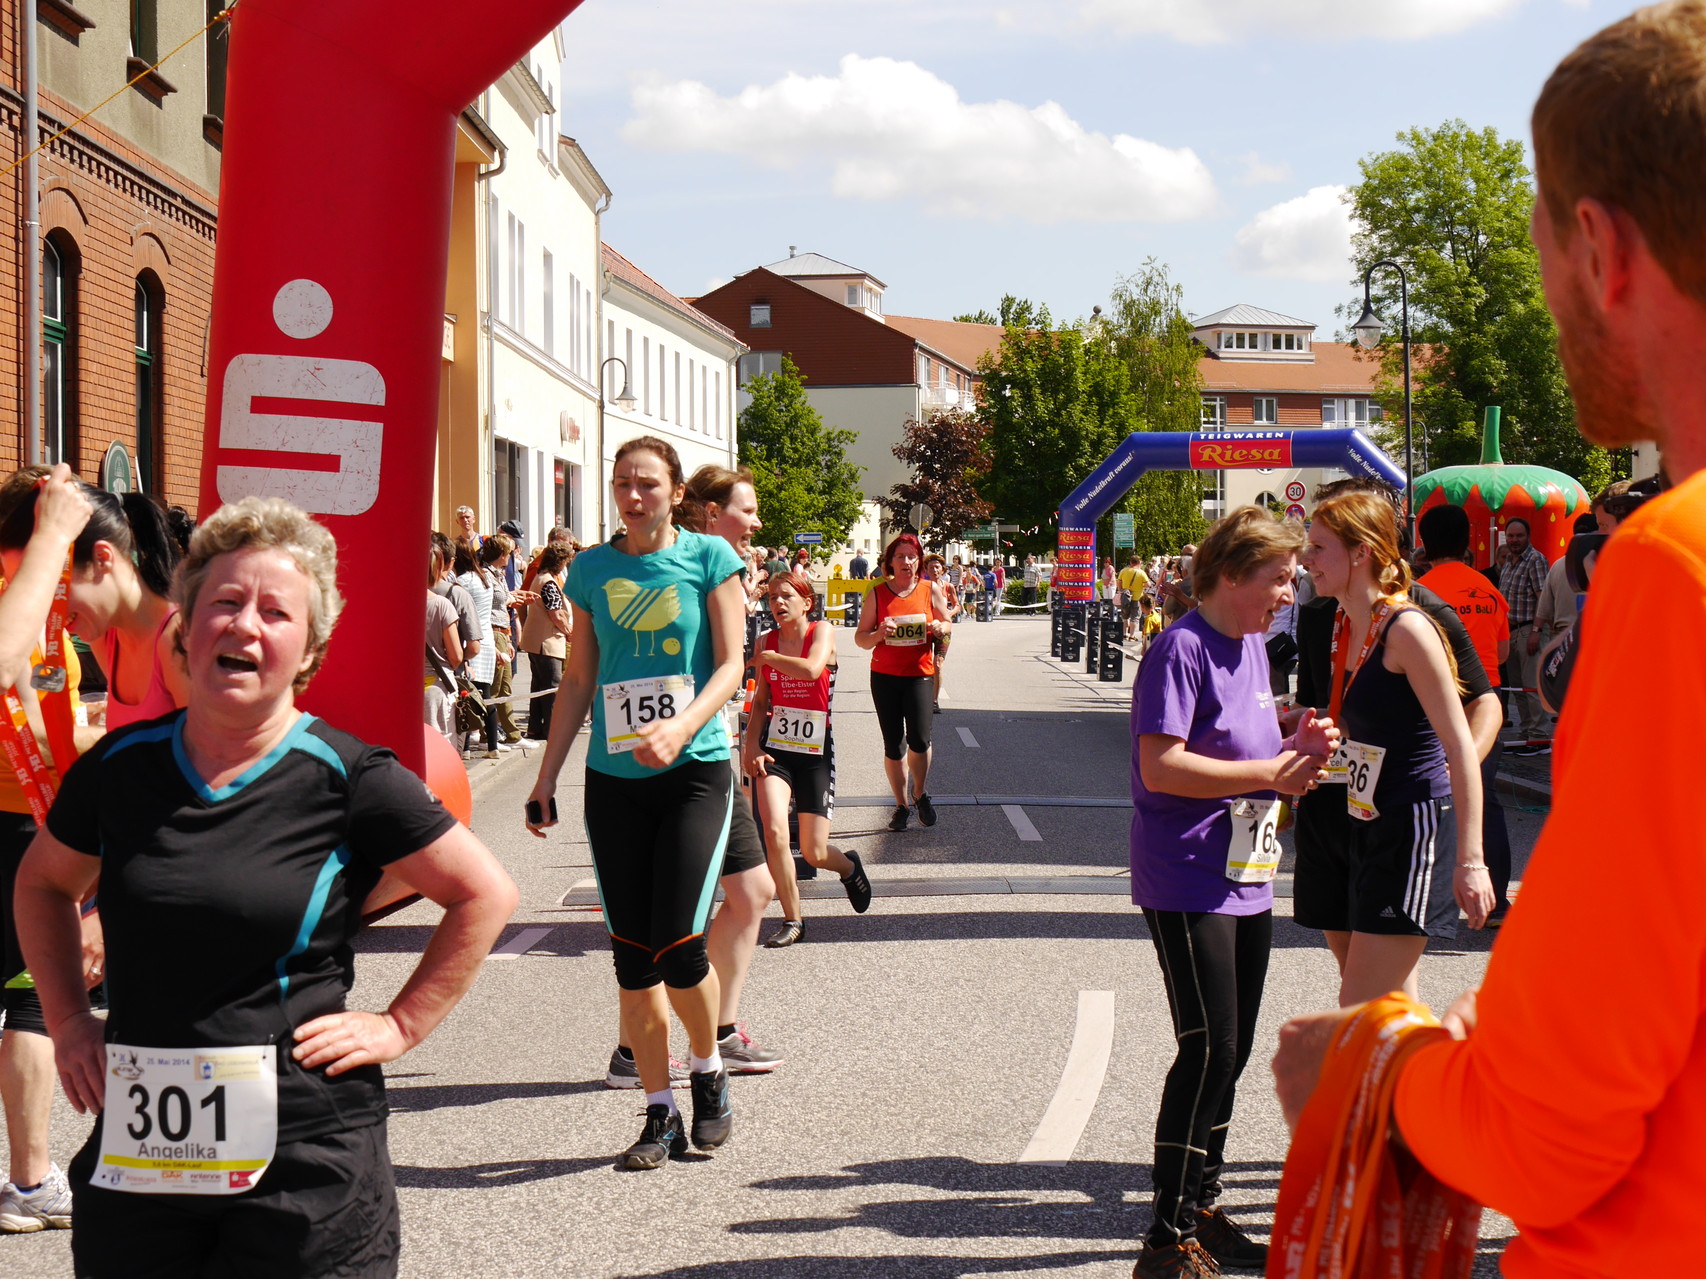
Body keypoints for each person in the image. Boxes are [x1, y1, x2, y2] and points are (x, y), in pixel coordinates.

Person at [1273, 11, 1706, 1276]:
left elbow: (1545, 1124)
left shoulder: (1673, 568)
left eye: (1538, 243)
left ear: (1598, 245)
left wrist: (1370, 1068)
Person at [14, 496, 517, 1276]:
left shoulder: (349, 775)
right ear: (186, 619)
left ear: (308, 649)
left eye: (276, 612)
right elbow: (43, 883)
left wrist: (399, 1024)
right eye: (225, 601)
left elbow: (484, 892)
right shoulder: (121, 769)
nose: (245, 624)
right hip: (142, 1159)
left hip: (307, 1160)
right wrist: (69, 1020)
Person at [524, 437, 746, 1169]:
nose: (633, 495)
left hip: (696, 771)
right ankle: (659, 1112)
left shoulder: (710, 558)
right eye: (622, 483)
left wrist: (684, 724)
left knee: (680, 944)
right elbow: (581, 678)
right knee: (633, 961)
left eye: (647, 484)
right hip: (614, 781)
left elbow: (733, 663)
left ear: (676, 491)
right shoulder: (590, 569)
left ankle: (708, 1070)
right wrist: (545, 775)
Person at [1128, 507, 1338, 1278]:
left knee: (1235, 1047)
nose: (1288, 590)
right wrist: (1268, 772)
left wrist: (1296, 743)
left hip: (1245, 873)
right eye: (1277, 577)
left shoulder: (1251, 645)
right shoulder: (1179, 648)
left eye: (1292, 577)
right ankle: (1162, 1234)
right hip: (1185, 876)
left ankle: (1203, 1206)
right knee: (1205, 1046)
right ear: (1228, 574)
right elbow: (1162, 766)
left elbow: (1249, 747)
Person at [1298, 490, 1494, 1006]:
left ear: (1360, 552)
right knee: (1387, 1010)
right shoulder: (1340, 622)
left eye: (1318, 548)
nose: (1306, 560)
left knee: (1360, 1006)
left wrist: (1471, 862)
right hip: (1365, 819)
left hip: (1413, 824)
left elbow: (1460, 744)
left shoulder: (1407, 629)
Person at [0, 466, 96, 1235]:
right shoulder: (24, 594)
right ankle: (30, 1180)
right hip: (15, 824)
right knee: (30, 997)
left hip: (25, 817)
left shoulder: (35, 597)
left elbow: (37, 711)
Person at [0, 477, 189, 734]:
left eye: (52, 584)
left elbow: (211, 765)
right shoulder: (107, 636)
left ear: (102, 558)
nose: (43, 611)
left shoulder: (179, 640)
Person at [744, 570, 870, 949]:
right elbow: (762, 699)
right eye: (771, 598)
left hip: (815, 749)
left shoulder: (822, 632)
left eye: (786, 597)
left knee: (814, 852)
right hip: (777, 748)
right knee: (775, 831)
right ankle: (793, 919)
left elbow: (813, 669)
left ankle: (848, 867)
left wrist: (768, 657)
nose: (777, 604)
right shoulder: (767, 638)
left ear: (806, 602)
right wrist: (751, 746)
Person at [1417, 502, 1516, 924]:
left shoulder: (1419, 590)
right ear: (1468, 541)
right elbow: (1505, 650)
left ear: (1424, 542)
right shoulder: (1489, 589)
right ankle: (1496, 902)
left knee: (1430, 797)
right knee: (1484, 796)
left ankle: (1428, 898)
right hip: (1486, 700)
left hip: (1433, 698)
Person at [857, 534, 950, 832]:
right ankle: (900, 805)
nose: (907, 562)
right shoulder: (878, 593)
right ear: (890, 562)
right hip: (885, 676)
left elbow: (948, 623)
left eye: (912, 556)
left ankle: (919, 792)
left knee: (920, 740)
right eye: (901, 557)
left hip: (920, 674)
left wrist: (940, 626)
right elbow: (861, 638)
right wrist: (878, 634)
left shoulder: (930, 589)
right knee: (893, 744)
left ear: (919, 560)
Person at [1496, 515, 1549, 741]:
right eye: (1511, 536)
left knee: (1531, 687)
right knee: (1518, 688)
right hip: (1511, 632)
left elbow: (1543, 600)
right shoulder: (1509, 561)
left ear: (1528, 536)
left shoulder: (1535, 560)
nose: (1515, 540)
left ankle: (1538, 735)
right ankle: (1527, 731)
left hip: (1529, 630)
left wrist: (1536, 632)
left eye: (1519, 535)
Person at [517, 543, 571, 749]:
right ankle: (552, 731)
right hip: (547, 642)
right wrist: (570, 632)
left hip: (535, 640)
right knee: (552, 688)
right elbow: (556, 614)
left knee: (539, 687)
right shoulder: (548, 582)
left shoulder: (539, 577)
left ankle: (535, 728)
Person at [452, 537, 499, 759]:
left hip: (469, 638)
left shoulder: (463, 582)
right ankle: (493, 745)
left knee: (466, 696)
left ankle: (467, 746)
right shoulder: (484, 577)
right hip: (487, 638)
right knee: (485, 695)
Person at [479, 535, 522, 749]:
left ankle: (512, 734)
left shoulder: (500, 575)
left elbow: (504, 602)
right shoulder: (485, 575)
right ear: (502, 555)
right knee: (494, 688)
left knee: (505, 687)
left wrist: (509, 637)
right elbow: (488, 608)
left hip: (503, 630)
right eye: (509, 553)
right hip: (493, 631)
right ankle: (489, 735)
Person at [423, 543, 463, 750]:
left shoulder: (397, 603)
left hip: (406, 687)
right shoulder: (441, 605)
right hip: (436, 685)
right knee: (442, 747)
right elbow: (456, 655)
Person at [921, 554, 956, 714]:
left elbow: (957, 605)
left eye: (937, 567)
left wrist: (950, 612)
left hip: (943, 630)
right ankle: (922, 697)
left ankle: (934, 701)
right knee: (923, 664)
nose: (934, 570)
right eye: (931, 567)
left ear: (942, 569)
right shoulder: (923, 587)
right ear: (926, 570)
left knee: (938, 664)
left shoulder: (948, 587)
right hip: (926, 629)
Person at [1119, 556, 1150, 640]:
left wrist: (1121, 591)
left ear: (1130, 562)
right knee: (1135, 617)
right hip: (1137, 598)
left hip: (1125, 597)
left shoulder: (1124, 571)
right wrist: (1141, 585)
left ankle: (1125, 634)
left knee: (1125, 616)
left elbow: (1119, 582)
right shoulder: (1141, 572)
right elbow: (1148, 585)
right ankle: (1132, 635)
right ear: (1139, 563)